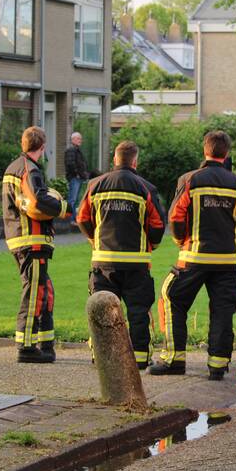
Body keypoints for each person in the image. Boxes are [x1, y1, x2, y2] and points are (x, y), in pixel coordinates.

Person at [151, 131, 236, 380]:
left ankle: (173, 359)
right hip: (228, 262)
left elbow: (176, 217)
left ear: (205, 150)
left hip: (194, 258)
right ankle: (218, 367)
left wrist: (182, 242)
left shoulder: (190, 179)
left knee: (170, 297)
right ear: (227, 153)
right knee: (222, 311)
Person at [76, 140, 166, 369]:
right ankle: (139, 360)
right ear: (135, 161)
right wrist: (151, 245)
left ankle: (103, 358)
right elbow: (157, 225)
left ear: (115, 159)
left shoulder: (95, 185)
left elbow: (82, 218)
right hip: (136, 263)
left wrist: (93, 239)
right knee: (138, 313)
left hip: (103, 262)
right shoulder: (145, 187)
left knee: (103, 311)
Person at [2, 126, 67, 363]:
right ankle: (27, 347)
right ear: (42, 147)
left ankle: (45, 343)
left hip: (19, 238)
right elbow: (38, 200)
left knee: (43, 290)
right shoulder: (30, 170)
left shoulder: (13, 168)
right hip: (32, 240)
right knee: (34, 292)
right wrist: (63, 208)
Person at [64, 132, 90, 215]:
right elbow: (70, 164)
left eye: (80, 138)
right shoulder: (71, 150)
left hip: (79, 178)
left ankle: (73, 219)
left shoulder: (77, 150)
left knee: (76, 200)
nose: (80, 140)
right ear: (73, 140)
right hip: (75, 178)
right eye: (78, 138)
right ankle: (68, 220)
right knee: (72, 199)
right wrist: (77, 174)